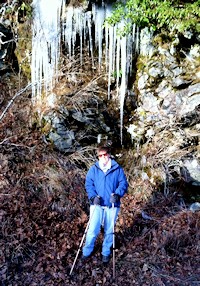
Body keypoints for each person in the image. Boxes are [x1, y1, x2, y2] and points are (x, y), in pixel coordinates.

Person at [82, 146, 128, 263]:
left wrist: (117, 195)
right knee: (92, 229)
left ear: (109, 154)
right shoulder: (94, 169)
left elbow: (123, 183)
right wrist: (92, 197)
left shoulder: (117, 168)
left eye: (105, 154)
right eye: (100, 155)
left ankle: (106, 252)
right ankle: (87, 251)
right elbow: (89, 184)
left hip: (112, 204)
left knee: (109, 230)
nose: (103, 157)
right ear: (98, 157)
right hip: (97, 204)